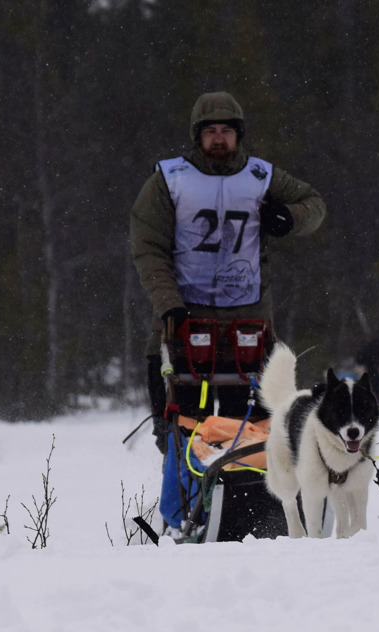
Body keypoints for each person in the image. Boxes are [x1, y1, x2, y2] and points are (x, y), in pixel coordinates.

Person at [130, 91, 326, 446]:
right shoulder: (169, 179)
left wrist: (288, 217)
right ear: (197, 135)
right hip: (184, 319)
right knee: (183, 433)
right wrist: (168, 303)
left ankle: (246, 481)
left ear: (239, 134)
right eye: (210, 131)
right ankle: (186, 473)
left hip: (248, 322)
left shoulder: (261, 176)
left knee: (252, 436)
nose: (219, 139)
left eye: (226, 130)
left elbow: (314, 205)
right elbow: (148, 247)